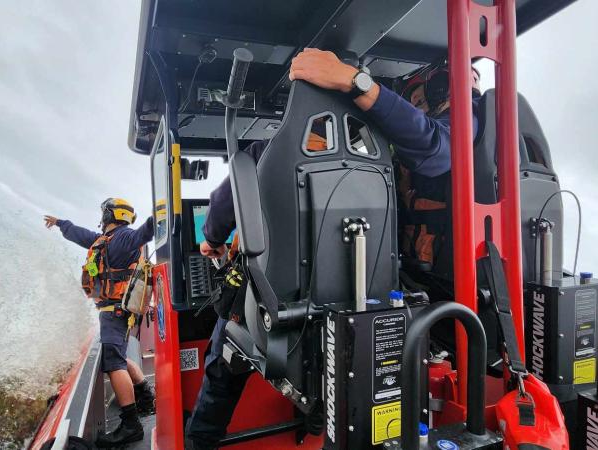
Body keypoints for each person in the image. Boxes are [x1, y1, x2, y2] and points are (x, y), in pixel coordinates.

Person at [185, 49, 481, 449]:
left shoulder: (267, 153)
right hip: (371, 304)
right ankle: (314, 422)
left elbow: (224, 206)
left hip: (284, 314)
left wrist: (212, 241)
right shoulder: (383, 163)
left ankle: (201, 439)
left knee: (224, 350)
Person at [45, 197, 155, 448]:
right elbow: (80, 234)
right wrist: (62, 223)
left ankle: (131, 425)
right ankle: (145, 397)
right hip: (114, 312)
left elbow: (145, 232)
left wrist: (162, 213)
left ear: (108, 215)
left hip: (115, 312)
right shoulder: (103, 241)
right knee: (116, 356)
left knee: (113, 362)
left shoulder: (124, 238)